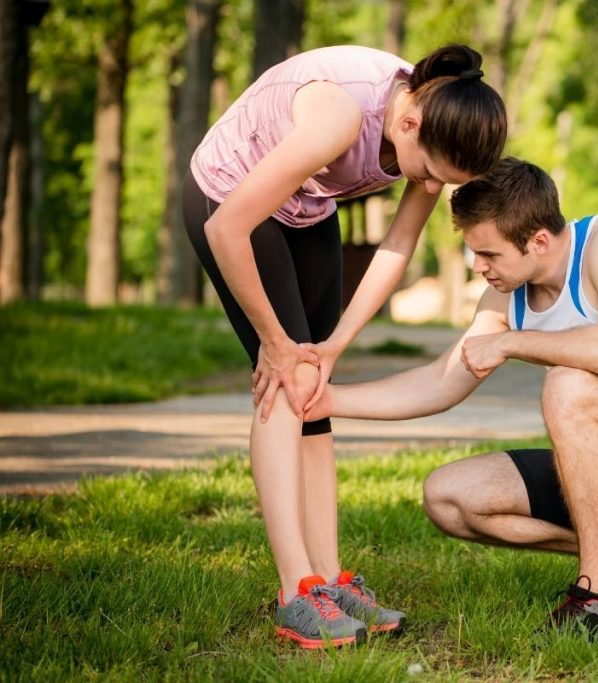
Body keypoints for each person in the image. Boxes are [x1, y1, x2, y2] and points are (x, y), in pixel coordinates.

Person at [301, 158, 598, 637]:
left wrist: (511, 342)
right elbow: (441, 379)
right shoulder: (505, 296)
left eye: (489, 254)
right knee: (449, 497)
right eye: (474, 252)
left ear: (538, 241)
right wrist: (328, 401)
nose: (479, 267)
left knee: (568, 383)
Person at [182, 44, 506, 648]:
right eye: (430, 172)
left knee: (314, 386)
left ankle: (328, 578)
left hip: (305, 206)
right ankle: (293, 592)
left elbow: (397, 249)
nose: (430, 186)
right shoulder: (340, 115)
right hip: (230, 199)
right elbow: (226, 227)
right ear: (409, 122)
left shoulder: (432, 125)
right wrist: (277, 343)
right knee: (284, 377)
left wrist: (331, 346)